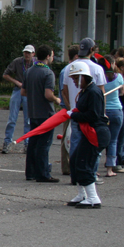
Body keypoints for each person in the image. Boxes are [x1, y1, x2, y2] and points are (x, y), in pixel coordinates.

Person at [66, 61, 110, 208]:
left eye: (76, 78)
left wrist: (74, 115)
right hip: (90, 132)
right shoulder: (86, 91)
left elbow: (93, 115)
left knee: (85, 163)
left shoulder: (94, 92)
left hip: (96, 133)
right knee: (75, 161)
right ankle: (82, 194)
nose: (74, 81)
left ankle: (93, 198)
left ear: (83, 76)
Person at [22, 45, 59, 183]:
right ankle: (42, 173)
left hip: (33, 111)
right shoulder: (48, 73)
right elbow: (48, 94)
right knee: (44, 144)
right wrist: (56, 99)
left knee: (33, 143)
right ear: (48, 56)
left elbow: (23, 92)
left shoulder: (29, 71)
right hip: (45, 112)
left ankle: (30, 172)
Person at [1, 45, 35, 153]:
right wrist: (17, 82)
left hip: (29, 91)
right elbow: (5, 75)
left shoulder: (35, 64)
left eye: (29, 53)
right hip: (18, 89)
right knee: (12, 118)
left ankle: (27, 143)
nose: (27, 55)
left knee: (28, 120)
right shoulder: (17, 62)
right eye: (25, 52)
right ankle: (7, 142)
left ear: (33, 54)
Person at [102, 55, 124, 177]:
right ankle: (110, 168)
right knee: (113, 140)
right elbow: (122, 92)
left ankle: (95, 166)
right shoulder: (119, 78)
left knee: (100, 140)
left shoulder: (100, 78)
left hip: (103, 110)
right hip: (116, 109)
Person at [58, 45, 79, 175]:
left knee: (69, 137)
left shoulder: (66, 70)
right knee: (67, 137)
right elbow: (63, 91)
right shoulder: (67, 70)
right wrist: (69, 108)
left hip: (71, 108)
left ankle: (69, 165)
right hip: (69, 109)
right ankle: (67, 166)